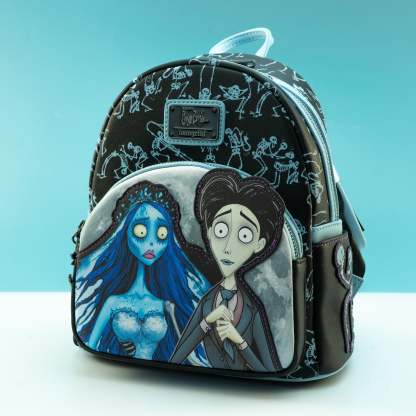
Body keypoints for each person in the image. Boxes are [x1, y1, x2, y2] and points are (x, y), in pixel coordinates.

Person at [75, 181, 210, 364]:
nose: (152, 243)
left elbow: (185, 353)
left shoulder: (167, 305)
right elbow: (92, 344)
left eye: (162, 234)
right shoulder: (113, 302)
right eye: (141, 231)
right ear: (125, 233)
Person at [170, 169, 285, 372]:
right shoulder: (207, 302)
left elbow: (270, 370)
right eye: (221, 231)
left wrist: (239, 341)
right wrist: (207, 322)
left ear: (259, 244)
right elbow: (176, 358)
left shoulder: (253, 310)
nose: (229, 247)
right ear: (209, 232)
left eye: (244, 235)